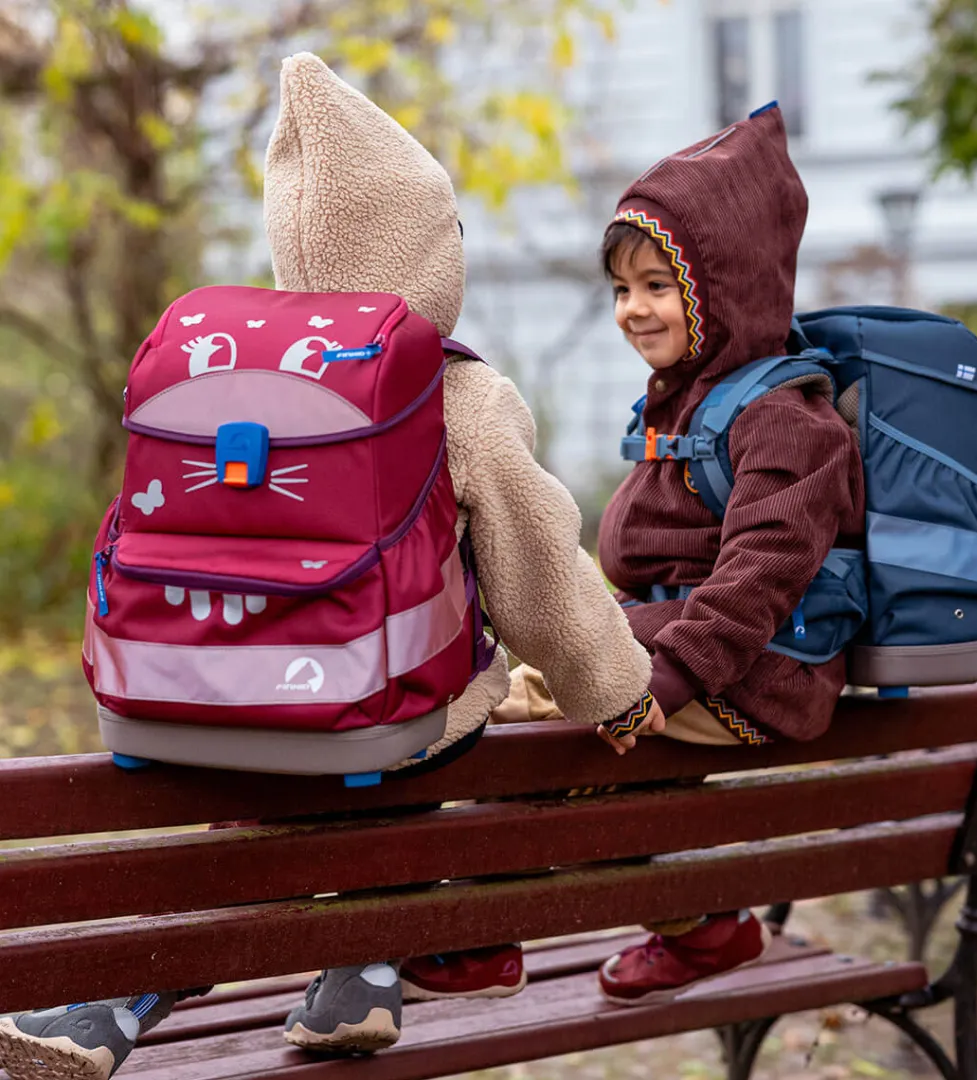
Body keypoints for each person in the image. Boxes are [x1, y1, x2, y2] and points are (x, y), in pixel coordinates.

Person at [0, 53, 661, 1080]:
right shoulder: (461, 393)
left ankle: (116, 1003)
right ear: (431, 247)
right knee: (441, 700)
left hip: (213, 704)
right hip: (383, 725)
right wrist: (613, 689)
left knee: (262, 803)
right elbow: (539, 570)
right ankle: (365, 967)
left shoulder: (228, 375)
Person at [493, 103, 865, 1005]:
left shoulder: (789, 421)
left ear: (724, 287)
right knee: (501, 705)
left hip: (755, 672)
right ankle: (698, 925)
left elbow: (759, 575)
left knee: (552, 733)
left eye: (657, 285)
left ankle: (474, 931)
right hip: (681, 648)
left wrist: (664, 678)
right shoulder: (688, 405)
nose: (633, 310)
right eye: (622, 290)